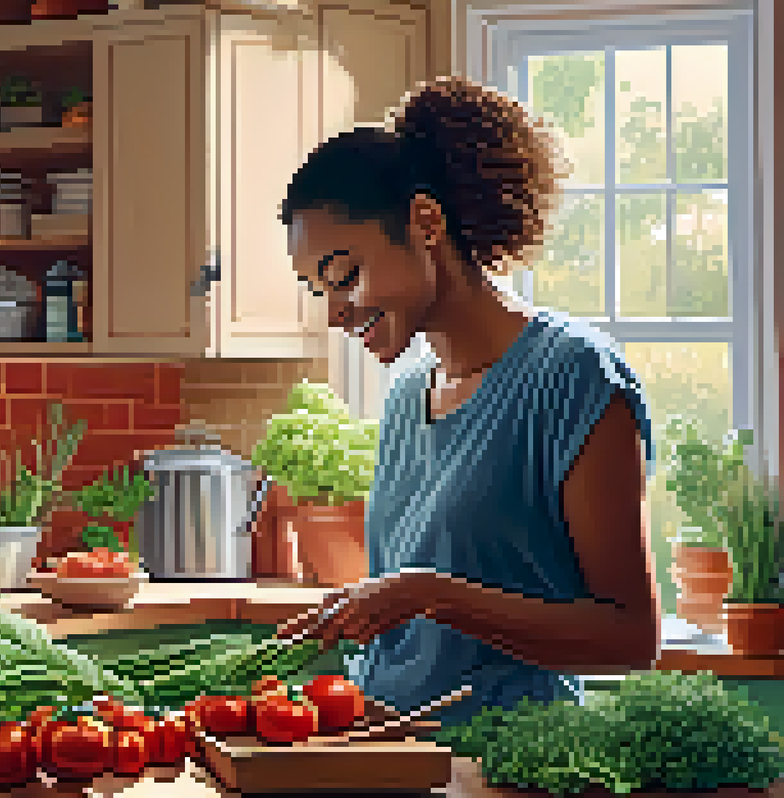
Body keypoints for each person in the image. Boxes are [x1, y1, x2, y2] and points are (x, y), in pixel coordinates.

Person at [273, 76, 660, 728]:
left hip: (509, 765)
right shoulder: (405, 395)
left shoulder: (574, 376)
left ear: (426, 221)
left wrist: (430, 596)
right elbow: (418, 630)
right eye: (320, 290)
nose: (336, 312)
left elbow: (630, 638)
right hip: (392, 755)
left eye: (345, 275)